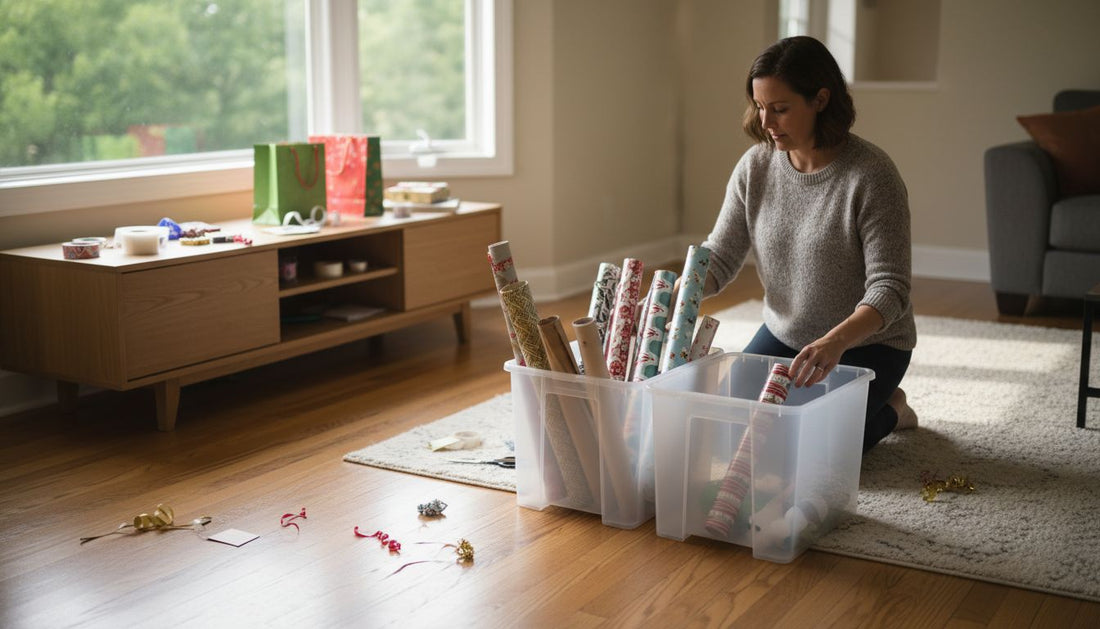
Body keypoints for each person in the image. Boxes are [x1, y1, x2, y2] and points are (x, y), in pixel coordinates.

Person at [700, 35, 917, 453]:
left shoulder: (871, 176)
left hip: (867, 344)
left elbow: (890, 290)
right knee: (730, 433)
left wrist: (835, 342)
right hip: (786, 334)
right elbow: (721, 255)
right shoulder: (756, 166)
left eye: (780, 109)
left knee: (808, 451)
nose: (766, 123)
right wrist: (681, 294)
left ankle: (892, 408)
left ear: (820, 99)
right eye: (760, 107)